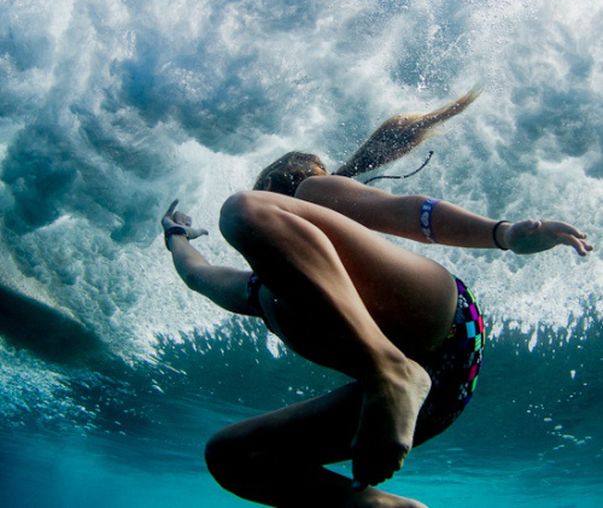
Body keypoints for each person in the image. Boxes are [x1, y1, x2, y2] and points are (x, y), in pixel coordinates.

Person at [161, 93, 592, 508]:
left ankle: (390, 373)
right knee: (230, 457)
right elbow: (197, 275)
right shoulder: (259, 294)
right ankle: (375, 504)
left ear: (272, 185)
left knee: (242, 211)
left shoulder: (312, 191)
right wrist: (176, 236)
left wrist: (505, 234)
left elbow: (406, 211)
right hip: (436, 400)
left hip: (445, 326)